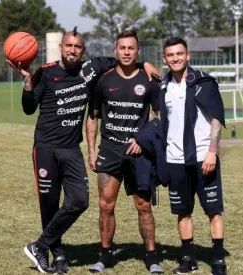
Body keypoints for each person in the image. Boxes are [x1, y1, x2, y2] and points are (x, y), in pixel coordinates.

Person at [7, 28, 161, 274]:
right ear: (61, 47)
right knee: (49, 205)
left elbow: (122, 58)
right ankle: (56, 255)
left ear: (83, 51)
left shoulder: (90, 69)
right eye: (68, 46)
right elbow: (28, 108)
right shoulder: (45, 73)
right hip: (46, 148)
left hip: (71, 148)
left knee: (80, 201)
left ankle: (39, 245)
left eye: (77, 47)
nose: (72, 50)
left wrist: (145, 65)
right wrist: (26, 79)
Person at [86, 28, 164, 274]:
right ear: (115, 50)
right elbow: (93, 117)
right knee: (105, 205)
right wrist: (90, 151)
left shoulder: (149, 80)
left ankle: (151, 257)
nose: (127, 52)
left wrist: (144, 140)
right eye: (123, 48)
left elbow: (161, 118)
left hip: (138, 153)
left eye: (131, 48)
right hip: (109, 151)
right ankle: (106, 255)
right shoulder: (103, 79)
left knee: (143, 206)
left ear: (138, 51)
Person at [159, 37, 227, 275]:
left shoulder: (203, 82)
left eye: (179, 54)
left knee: (213, 210)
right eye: (170, 55)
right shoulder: (163, 85)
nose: (175, 58)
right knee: (182, 211)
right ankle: (188, 258)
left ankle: (218, 259)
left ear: (188, 56)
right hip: (175, 159)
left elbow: (216, 117)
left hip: (202, 157)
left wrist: (212, 152)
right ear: (164, 59)